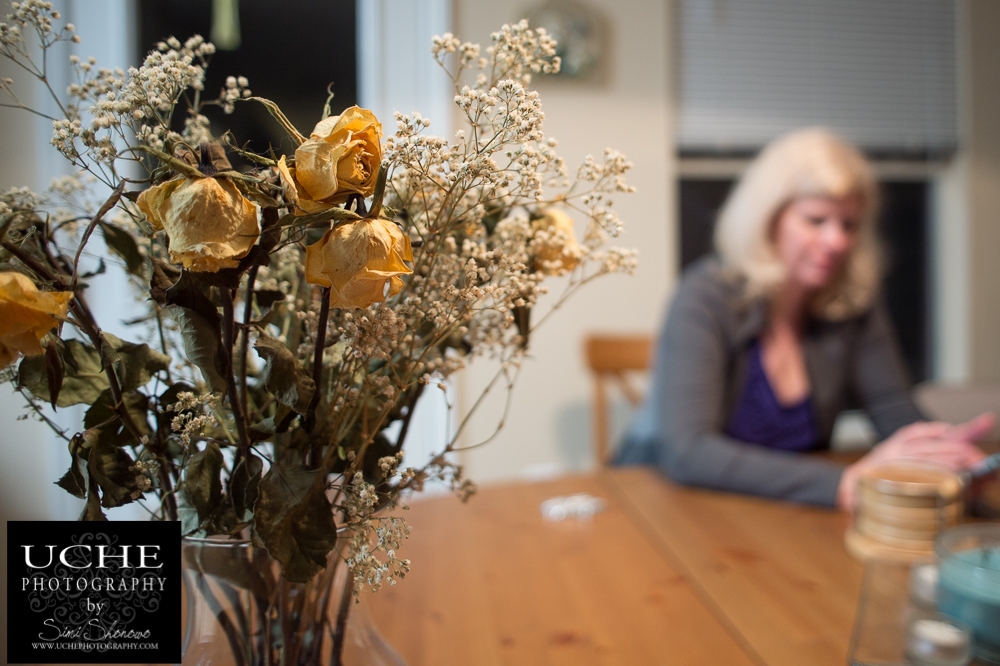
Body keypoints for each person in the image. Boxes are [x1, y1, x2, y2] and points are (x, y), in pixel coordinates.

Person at [617, 127, 991, 510]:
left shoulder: (852, 300)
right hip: (672, 507)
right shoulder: (704, 297)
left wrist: (944, 457)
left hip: (786, 512)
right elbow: (688, 452)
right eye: (816, 220)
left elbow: (895, 413)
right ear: (767, 220)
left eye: (849, 224)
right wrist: (845, 482)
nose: (838, 242)